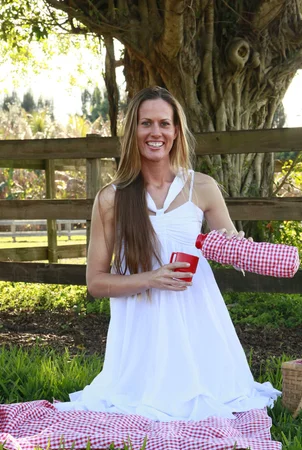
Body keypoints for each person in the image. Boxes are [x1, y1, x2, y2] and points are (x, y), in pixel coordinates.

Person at [55, 86, 280, 421]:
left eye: (164, 123)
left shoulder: (202, 187)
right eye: (146, 123)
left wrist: (237, 247)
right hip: (141, 326)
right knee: (140, 409)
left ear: (176, 131)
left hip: (198, 318)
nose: (155, 132)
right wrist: (151, 278)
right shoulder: (111, 198)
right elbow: (96, 283)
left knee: (214, 403)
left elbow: (229, 243)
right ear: (133, 130)